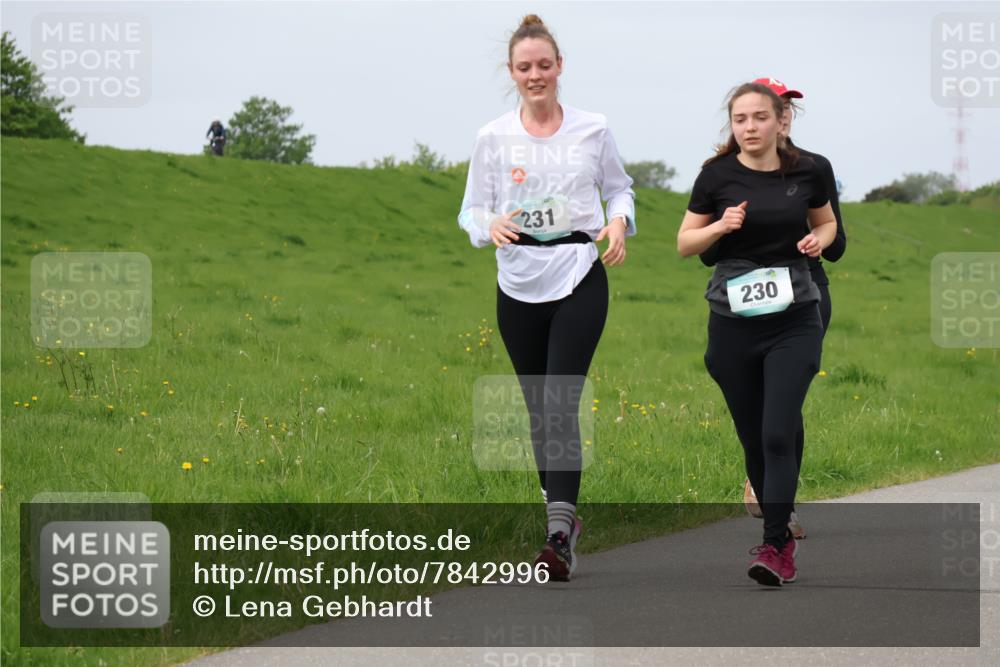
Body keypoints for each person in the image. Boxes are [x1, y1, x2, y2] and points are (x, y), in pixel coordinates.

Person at [458, 14, 635, 582]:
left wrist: (618, 222)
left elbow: (619, 188)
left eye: (543, 64)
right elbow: (470, 209)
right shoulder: (492, 137)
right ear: (511, 72)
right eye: (524, 67)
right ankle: (564, 512)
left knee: (560, 401)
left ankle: (557, 535)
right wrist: (488, 224)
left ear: (560, 67)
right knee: (539, 409)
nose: (535, 75)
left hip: (579, 270)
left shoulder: (592, 129)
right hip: (518, 281)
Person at [677, 81, 837, 586]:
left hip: (795, 317)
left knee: (777, 432)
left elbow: (828, 223)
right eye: (740, 119)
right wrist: (720, 227)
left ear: (779, 121)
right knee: (752, 438)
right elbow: (685, 243)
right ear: (732, 125)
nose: (750, 127)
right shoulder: (716, 175)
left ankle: (776, 545)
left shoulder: (808, 170)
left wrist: (817, 239)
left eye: (759, 118)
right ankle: (777, 526)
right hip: (732, 323)